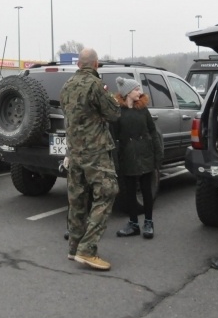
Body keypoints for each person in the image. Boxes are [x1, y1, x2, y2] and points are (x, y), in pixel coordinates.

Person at [60, 48, 121, 271]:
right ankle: (87, 249)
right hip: (95, 152)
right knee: (107, 192)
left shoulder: (66, 86)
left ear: (78, 64)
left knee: (76, 198)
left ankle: (74, 247)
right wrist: (112, 97)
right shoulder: (95, 85)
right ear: (95, 65)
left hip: (74, 152)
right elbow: (114, 114)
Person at [113, 77, 162, 239]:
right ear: (127, 93)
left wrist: (157, 155)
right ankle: (133, 224)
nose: (140, 92)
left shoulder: (143, 109)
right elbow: (112, 137)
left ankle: (149, 223)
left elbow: (153, 132)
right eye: (136, 90)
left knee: (147, 191)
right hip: (127, 156)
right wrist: (114, 160)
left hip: (145, 154)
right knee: (130, 192)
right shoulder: (118, 112)